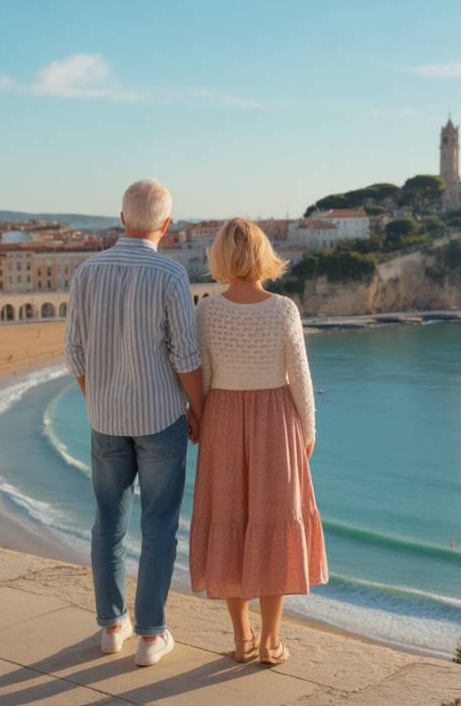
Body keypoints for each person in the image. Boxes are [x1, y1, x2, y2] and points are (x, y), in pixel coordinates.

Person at [64, 179, 203, 667]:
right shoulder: (170, 275)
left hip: (106, 419)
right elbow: (185, 355)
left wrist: (97, 398)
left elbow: (74, 352)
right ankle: (150, 636)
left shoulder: (87, 272)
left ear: (123, 219)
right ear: (166, 223)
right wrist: (198, 410)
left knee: (108, 522)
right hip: (160, 419)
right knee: (160, 525)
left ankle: (111, 627)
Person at [189, 218, 327, 666]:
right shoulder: (283, 308)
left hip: (224, 421)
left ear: (221, 257)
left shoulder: (207, 310)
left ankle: (242, 637)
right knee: (273, 524)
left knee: (230, 521)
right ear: (263, 254)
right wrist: (307, 433)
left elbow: (204, 377)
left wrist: (204, 423)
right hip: (276, 425)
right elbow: (301, 379)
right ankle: (271, 642)